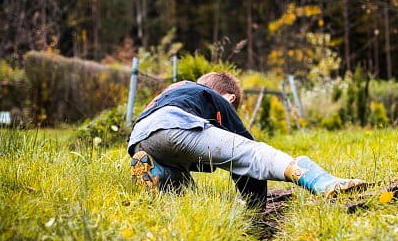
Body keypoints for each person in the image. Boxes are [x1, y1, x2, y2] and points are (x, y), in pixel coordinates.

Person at [128, 72, 366, 210]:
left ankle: (156, 172)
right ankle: (323, 181)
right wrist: (256, 207)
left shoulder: (175, 91)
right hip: (176, 125)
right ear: (229, 98)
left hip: (140, 137)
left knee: (182, 185)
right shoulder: (213, 97)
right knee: (254, 153)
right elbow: (244, 161)